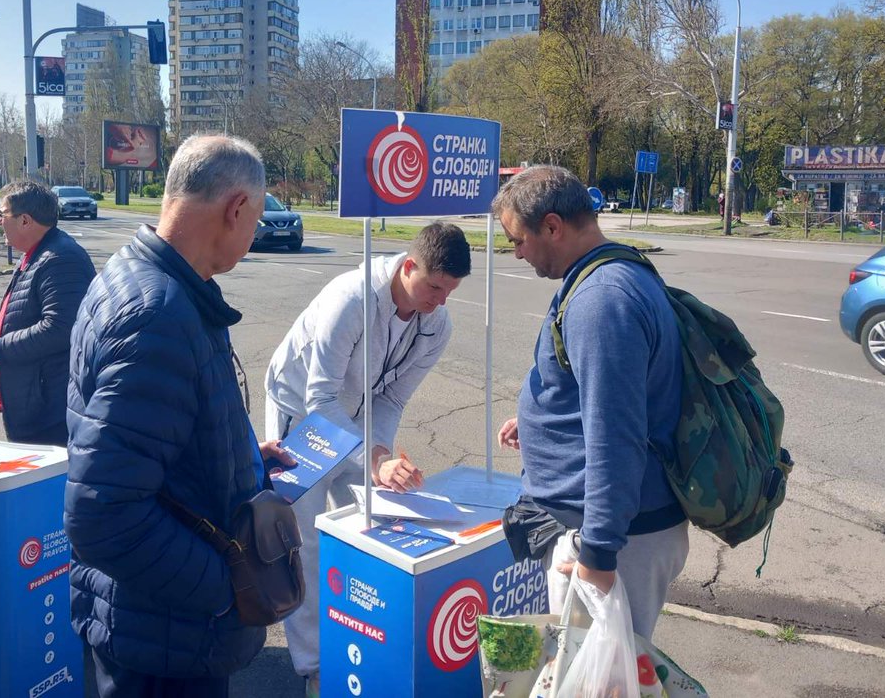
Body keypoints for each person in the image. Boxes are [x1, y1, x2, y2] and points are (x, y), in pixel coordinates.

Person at [65, 134, 294, 698]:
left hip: (154, 627)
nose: (254, 234)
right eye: (256, 218)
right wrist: (226, 589)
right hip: (166, 642)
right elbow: (102, 513)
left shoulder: (143, 279)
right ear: (236, 208)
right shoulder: (158, 312)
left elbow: (150, 443)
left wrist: (238, 459)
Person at [264, 221, 471, 697]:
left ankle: (353, 635)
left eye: (450, 291)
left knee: (363, 521)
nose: (440, 300)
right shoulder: (352, 298)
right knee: (306, 537)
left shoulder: (437, 323)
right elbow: (320, 399)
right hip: (301, 414)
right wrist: (375, 457)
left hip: (357, 417)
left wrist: (379, 458)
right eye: (435, 287)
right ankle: (315, 664)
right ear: (409, 265)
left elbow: (392, 400)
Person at [494, 165, 687, 640]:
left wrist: (597, 557)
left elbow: (616, 437)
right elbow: (598, 394)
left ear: (553, 226)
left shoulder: (601, 300)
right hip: (614, 531)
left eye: (518, 240)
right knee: (599, 677)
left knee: (597, 681)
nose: (516, 253)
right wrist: (541, 418)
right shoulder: (607, 271)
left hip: (612, 542)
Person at [0, 180, 95, 446]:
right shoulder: (39, 253)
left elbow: (61, 328)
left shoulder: (59, 258)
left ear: (25, 220)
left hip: (49, 411)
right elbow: (28, 310)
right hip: (32, 402)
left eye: (2, 214)